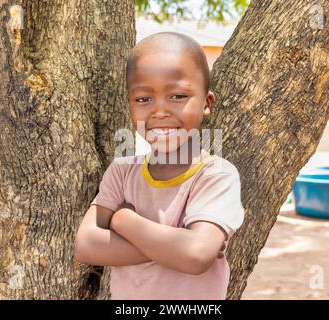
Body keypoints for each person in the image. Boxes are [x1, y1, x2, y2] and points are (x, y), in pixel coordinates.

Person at [74, 32, 244, 300]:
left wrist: (122, 219)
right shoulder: (122, 171)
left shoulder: (216, 175)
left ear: (206, 103)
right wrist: (176, 246)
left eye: (177, 95)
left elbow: (195, 256)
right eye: (143, 99)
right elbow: (86, 245)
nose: (160, 111)